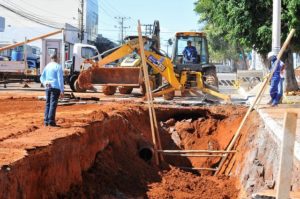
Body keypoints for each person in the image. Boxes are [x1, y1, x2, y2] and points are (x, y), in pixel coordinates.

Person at [40, 54, 64, 126]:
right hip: (55, 87)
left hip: (48, 87)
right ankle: (51, 121)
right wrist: (62, 90)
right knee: (53, 104)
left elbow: (41, 77)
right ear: (57, 58)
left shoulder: (47, 66)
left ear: (51, 58)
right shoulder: (58, 66)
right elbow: (60, 79)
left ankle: (46, 121)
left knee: (48, 104)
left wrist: (45, 83)